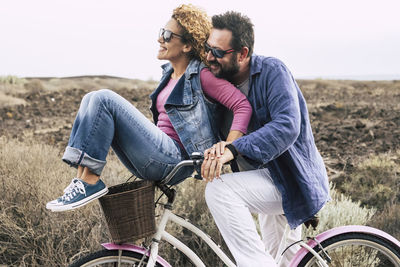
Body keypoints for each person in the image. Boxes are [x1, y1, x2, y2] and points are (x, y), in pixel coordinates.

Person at [46, 4, 252, 212]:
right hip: (160, 154)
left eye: (167, 34)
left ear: (187, 46)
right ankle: (83, 179)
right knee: (91, 98)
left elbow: (242, 105)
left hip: (175, 159)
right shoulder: (168, 74)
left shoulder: (201, 75)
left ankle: (90, 182)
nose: (160, 38)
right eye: (161, 32)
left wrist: (228, 147)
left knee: (104, 99)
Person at [201, 11, 330, 266]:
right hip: (262, 180)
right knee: (281, 261)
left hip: (290, 179)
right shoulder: (218, 84)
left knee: (219, 191)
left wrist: (234, 149)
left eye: (218, 52)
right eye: (207, 48)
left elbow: (286, 126)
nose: (208, 57)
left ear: (242, 53)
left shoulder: (272, 71)